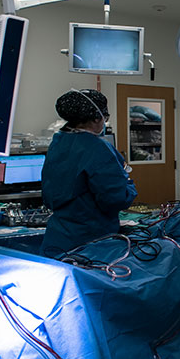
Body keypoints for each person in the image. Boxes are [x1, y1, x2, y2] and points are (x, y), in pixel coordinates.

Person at [40, 89, 137, 257]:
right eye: (105, 119)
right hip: (89, 243)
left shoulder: (58, 142)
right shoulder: (98, 148)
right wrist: (128, 185)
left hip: (57, 238)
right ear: (96, 118)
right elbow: (115, 199)